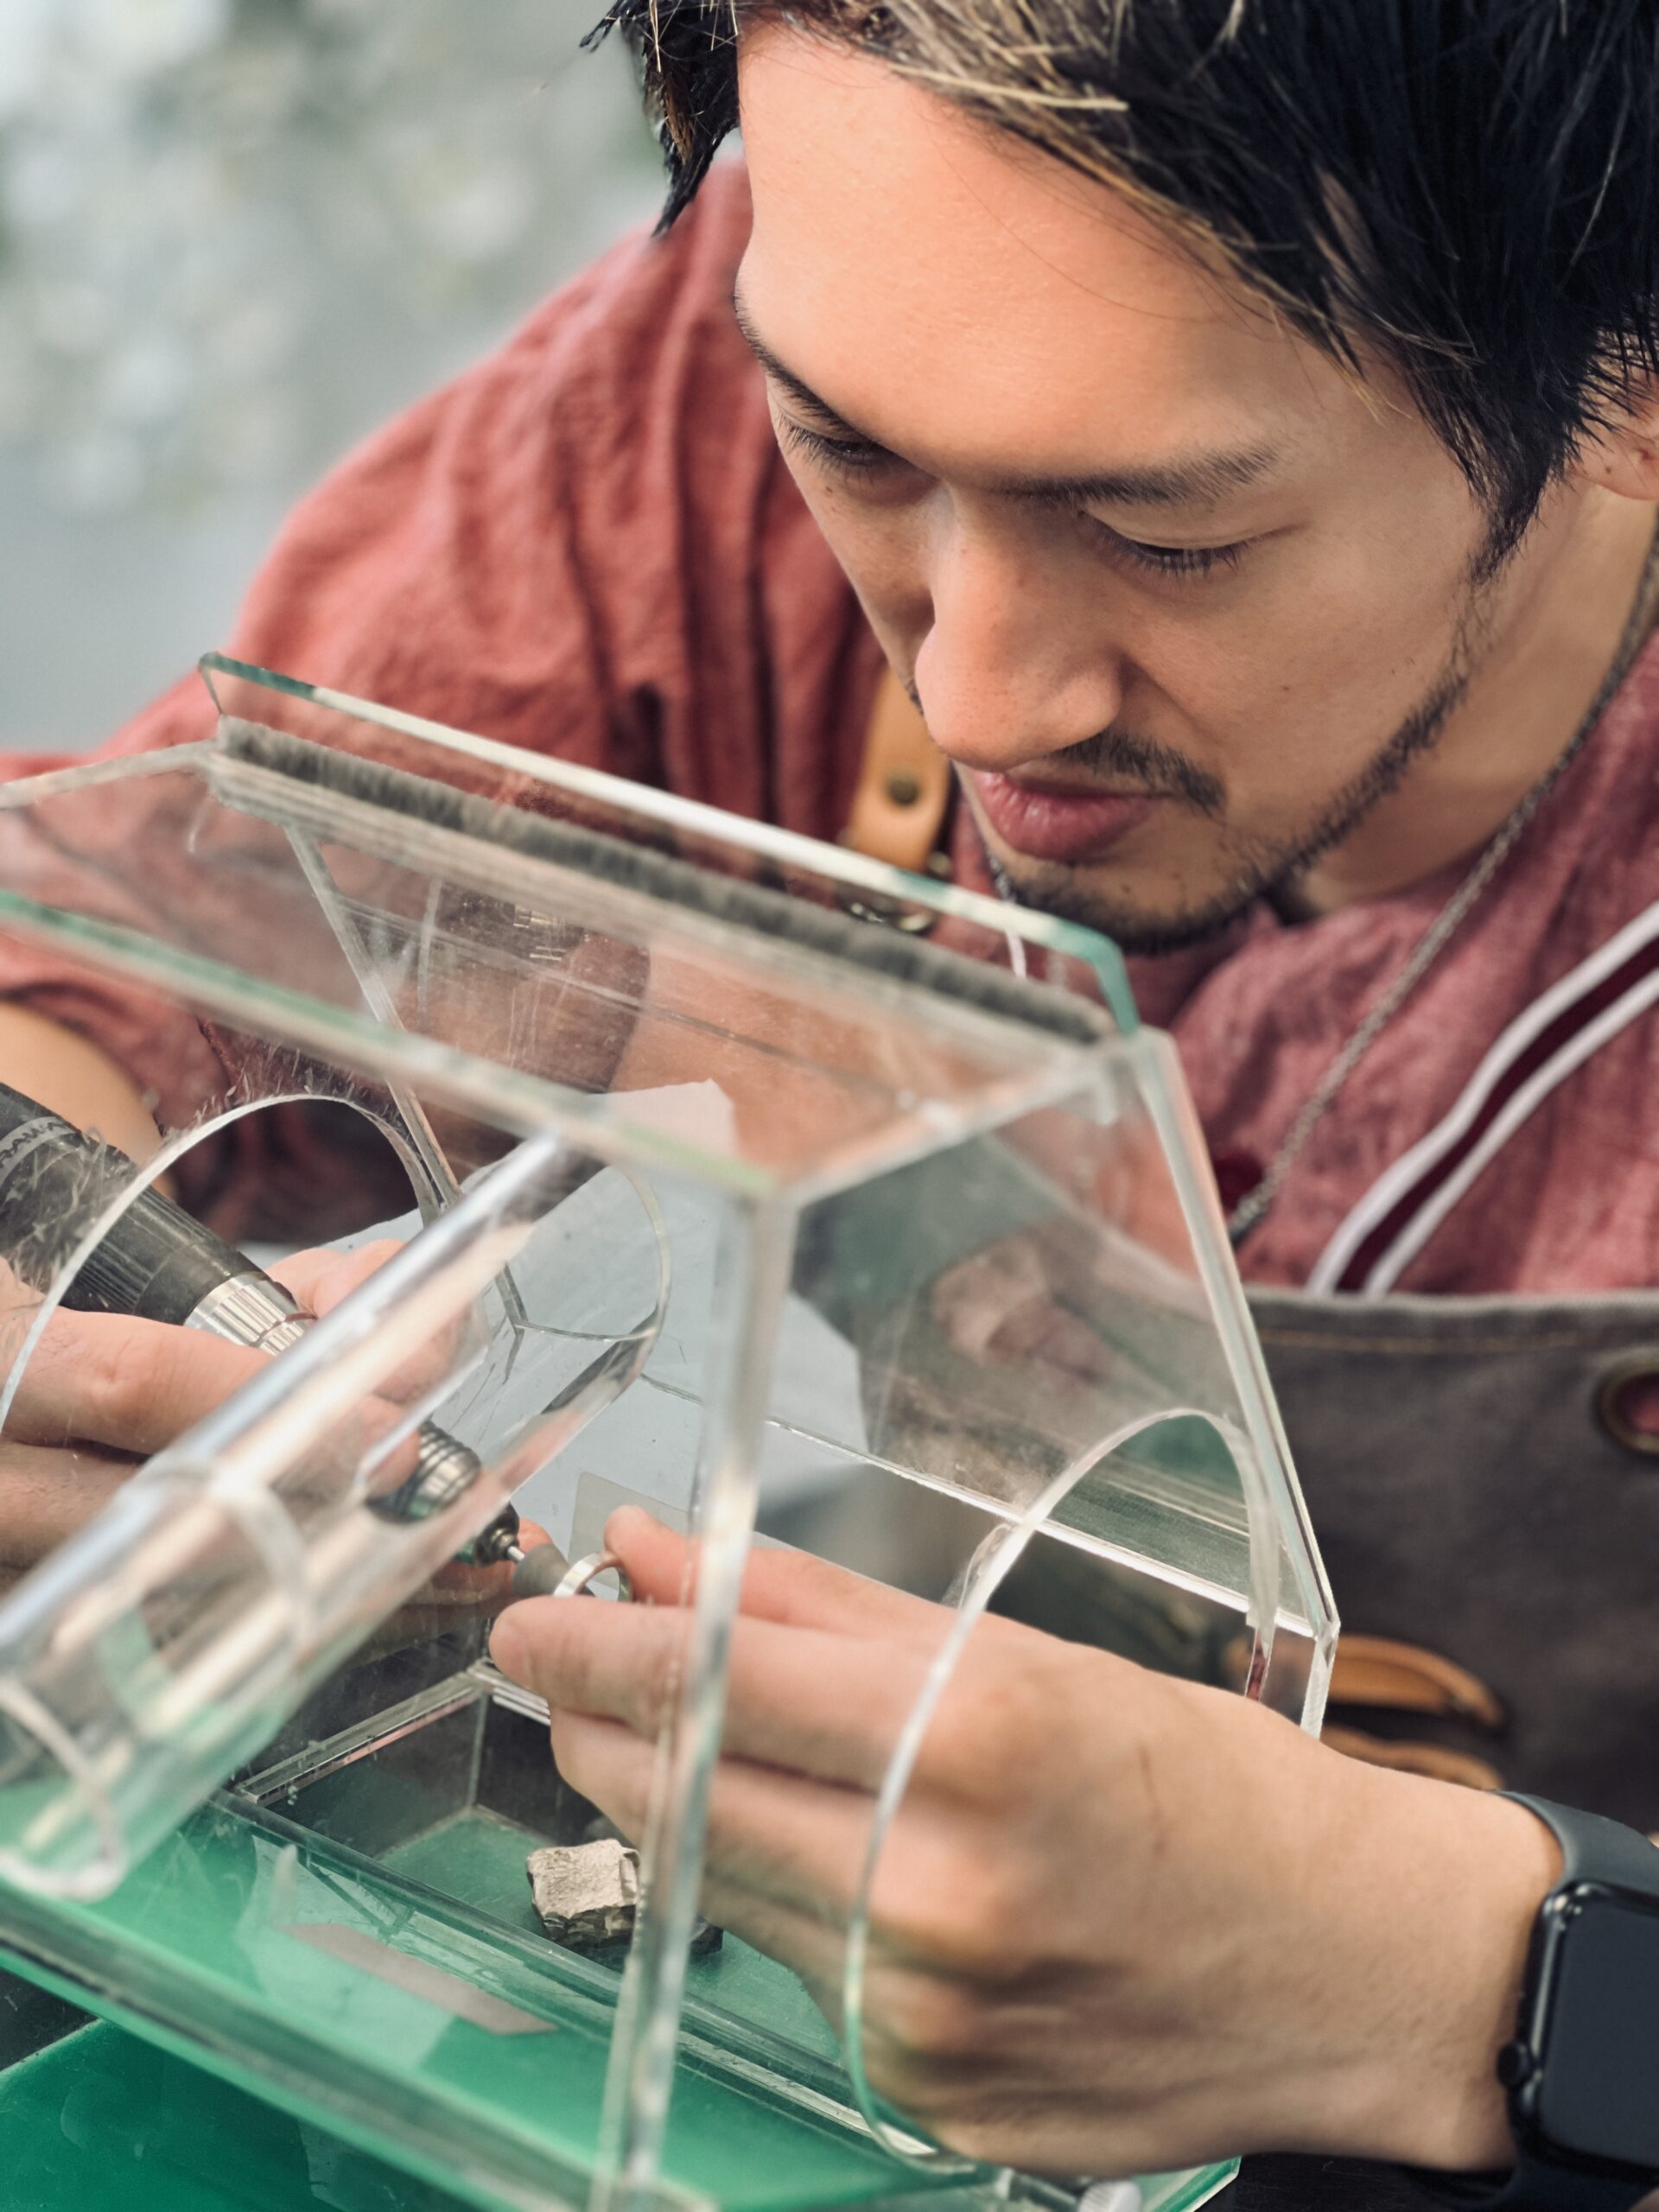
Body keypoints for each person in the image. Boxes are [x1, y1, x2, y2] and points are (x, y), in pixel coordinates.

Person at [3, 0, 1659, 2190]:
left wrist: (1458, 1978)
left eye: (1165, 534)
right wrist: (69, 1337)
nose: (974, 691)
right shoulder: (799, 320)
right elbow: (89, 953)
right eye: (855, 455)